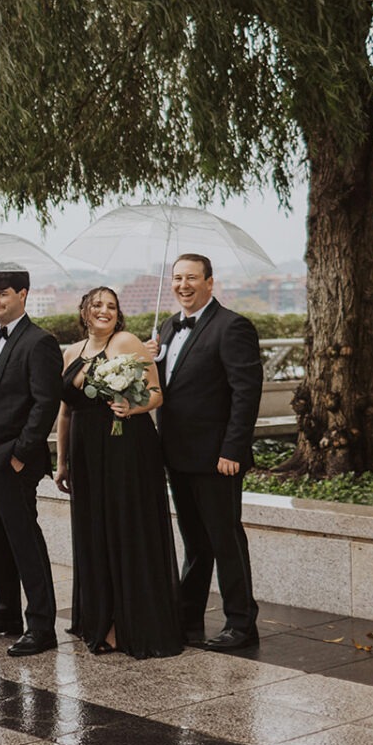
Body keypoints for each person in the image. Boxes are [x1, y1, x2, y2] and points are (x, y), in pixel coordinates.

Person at [56, 286, 182, 659]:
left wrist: (133, 407)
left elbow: (157, 394)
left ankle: (124, 624)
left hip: (125, 449)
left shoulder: (126, 342)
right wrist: (62, 461)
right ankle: (96, 615)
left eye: (111, 306)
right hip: (85, 453)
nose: (104, 311)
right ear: (84, 310)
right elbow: (64, 412)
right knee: (93, 532)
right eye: (97, 305)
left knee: (124, 530)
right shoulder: (70, 352)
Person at [145, 254, 263, 651]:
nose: (183, 285)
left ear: (210, 283)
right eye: (177, 278)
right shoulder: (167, 326)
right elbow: (166, 388)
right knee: (195, 541)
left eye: (192, 278)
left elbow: (246, 393)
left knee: (225, 538)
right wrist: (148, 359)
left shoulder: (232, 326)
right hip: (177, 453)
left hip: (217, 457)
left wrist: (233, 448)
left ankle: (243, 623)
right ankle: (187, 617)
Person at [0, 269, 62, 656]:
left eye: (1, 294)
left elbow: (45, 403)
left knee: (24, 541)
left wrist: (21, 454)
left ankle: (41, 625)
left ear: (22, 294)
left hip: (13, 459)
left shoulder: (40, 342)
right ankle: (5, 612)